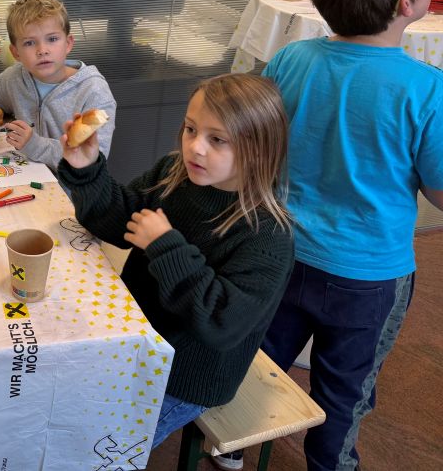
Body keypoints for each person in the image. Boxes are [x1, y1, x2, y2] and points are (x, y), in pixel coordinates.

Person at [218, 0, 443, 471]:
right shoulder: (427, 89)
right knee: (345, 388)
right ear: (407, 3)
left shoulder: (291, 59)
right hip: (368, 275)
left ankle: (234, 444)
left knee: (259, 361)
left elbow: (260, 144)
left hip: (277, 251)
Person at [57, 73, 295, 453]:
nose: (195, 147)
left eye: (217, 139)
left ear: (258, 150)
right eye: (190, 129)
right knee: (55, 403)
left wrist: (165, 246)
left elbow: (220, 323)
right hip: (134, 339)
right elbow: (119, 220)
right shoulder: (173, 173)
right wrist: (87, 170)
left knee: (93, 451)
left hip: (184, 376)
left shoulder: (268, 235)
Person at [0, 0, 116, 170]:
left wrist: (35, 145)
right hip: (24, 175)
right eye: (29, 43)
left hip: (69, 186)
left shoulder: (94, 91)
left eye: (52, 39)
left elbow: (93, 158)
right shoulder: (14, 78)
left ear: (68, 43)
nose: (42, 50)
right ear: (16, 52)